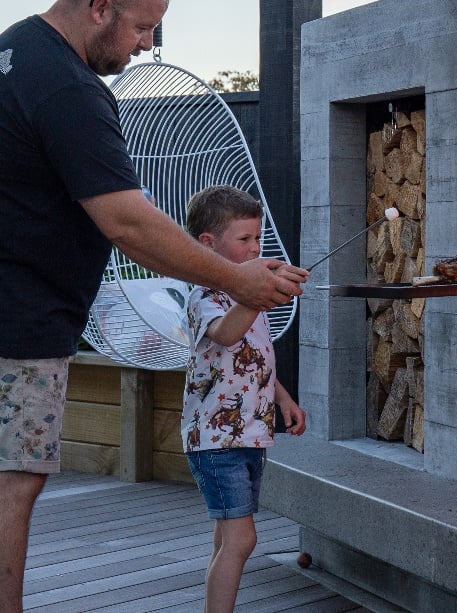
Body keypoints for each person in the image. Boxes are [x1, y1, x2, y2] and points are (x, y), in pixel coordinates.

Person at [0, 2, 307, 611]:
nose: (146, 45)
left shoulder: (13, 51)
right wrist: (239, 282)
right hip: (21, 319)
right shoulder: (68, 86)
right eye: (141, 26)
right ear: (97, 7)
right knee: (15, 481)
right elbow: (127, 223)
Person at [181, 185, 307, 613]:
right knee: (242, 539)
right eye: (244, 240)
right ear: (208, 244)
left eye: (258, 239)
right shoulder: (205, 294)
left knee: (226, 539)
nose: (256, 248)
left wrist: (283, 399)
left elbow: (254, 358)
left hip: (250, 436)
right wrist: (256, 297)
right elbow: (227, 333)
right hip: (217, 442)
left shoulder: (249, 296)